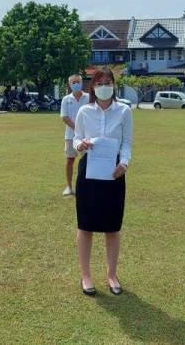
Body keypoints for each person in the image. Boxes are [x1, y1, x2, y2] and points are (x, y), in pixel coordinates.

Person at [73, 68, 132, 296]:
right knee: (85, 225)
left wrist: (124, 163)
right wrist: (81, 144)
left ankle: (111, 274)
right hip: (89, 171)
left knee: (112, 227)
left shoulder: (124, 111)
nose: (104, 86)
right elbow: (77, 137)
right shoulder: (84, 111)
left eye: (108, 82)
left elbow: (127, 143)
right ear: (93, 86)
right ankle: (86, 275)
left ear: (114, 86)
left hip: (114, 172)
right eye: (100, 82)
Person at [60, 75, 89, 196]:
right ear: (70, 84)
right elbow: (65, 117)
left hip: (87, 136)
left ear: (82, 83)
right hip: (70, 135)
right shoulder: (66, 99)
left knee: (87, 162)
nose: (76, 84)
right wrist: (78, 129)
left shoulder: (89, 97)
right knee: (70, 160)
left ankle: (87, 186)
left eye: (78, 82)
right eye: (73, 82)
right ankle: (69, 187)